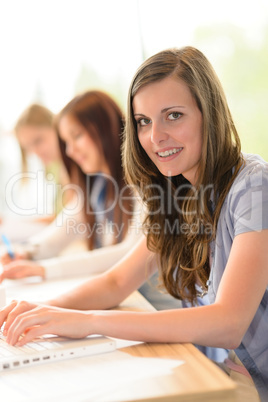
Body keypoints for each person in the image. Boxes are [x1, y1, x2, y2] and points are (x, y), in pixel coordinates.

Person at [0, 47, 267, 401]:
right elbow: (116, 281)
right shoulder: (176, 194)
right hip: (229, 371)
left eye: (173, 115)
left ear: (210, 113)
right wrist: (45, 311)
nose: (155, 137)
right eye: (144, 121)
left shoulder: (253, 184)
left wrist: (91, 322)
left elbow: (229, 323)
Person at [0, 90, 141, 281]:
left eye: (77, 136)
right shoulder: (97, 186)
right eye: (66, 142)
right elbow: (63, 229)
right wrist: (25, 252)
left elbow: (127, 254)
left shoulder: (142, 183)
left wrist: (43, 268)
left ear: (105, 128)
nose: (70, 151)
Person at [13, 103, 72, 222]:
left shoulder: (78, 165)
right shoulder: (54, 168)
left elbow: (74, 222)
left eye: (38, 141)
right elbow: (60, 217)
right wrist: (19, 222)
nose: (35, 152)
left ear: (56, 127)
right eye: (28, 147)